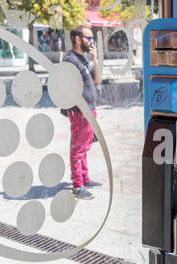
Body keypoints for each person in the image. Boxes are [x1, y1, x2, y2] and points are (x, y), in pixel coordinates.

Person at [63, 25, 102, 200]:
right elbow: (68, 88)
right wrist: (82, 110)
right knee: (78, 147)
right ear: (77, 39)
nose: (91, 41)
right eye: (89, 38)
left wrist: (95, 59)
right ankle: (77, 185)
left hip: (89, 108)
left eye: (92, 38)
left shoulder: (84, 58)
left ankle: (84, 178)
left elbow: (98, 80)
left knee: (85, 145)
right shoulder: (71, 60)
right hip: (80, 111)